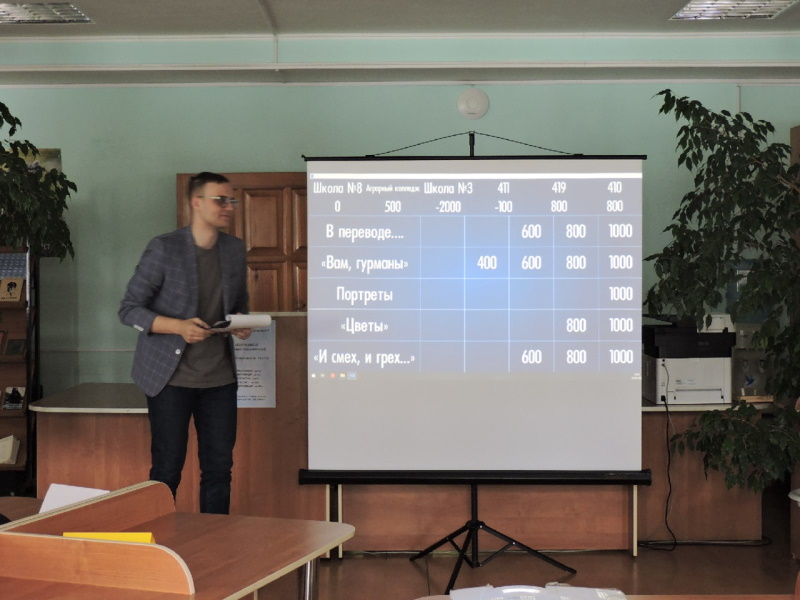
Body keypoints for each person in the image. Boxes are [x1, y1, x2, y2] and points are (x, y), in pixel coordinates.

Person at [119, 172, 251, 514]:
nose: (228, 206)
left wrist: (240, 323)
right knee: (167, 469)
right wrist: (178, 327)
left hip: (220, 379)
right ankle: (161, 542)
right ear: (196, 202)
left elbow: (239, 303)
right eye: (220, 200)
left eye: (231, 200)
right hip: (169, 379)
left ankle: (214, 541)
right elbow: (129, 310)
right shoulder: (164, 248)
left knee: (219, 470)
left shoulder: (234, 250)